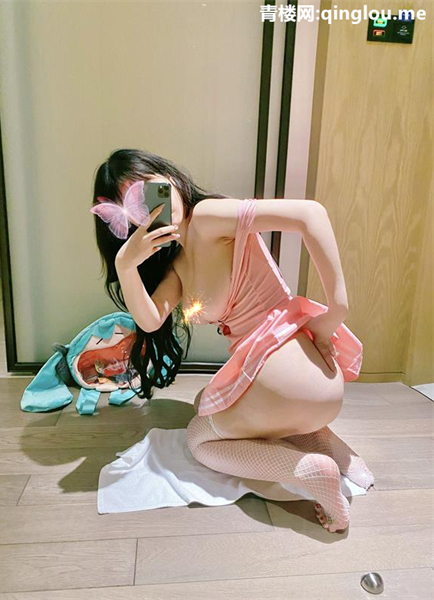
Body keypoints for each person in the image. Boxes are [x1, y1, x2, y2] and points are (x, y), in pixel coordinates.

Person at [91, 148, 374, 534]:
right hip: (302, 378)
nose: (152, 206)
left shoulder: (207, 217)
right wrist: (126, 264)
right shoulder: (178, 265)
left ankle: (307, 470)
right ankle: (325, 441)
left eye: (150, 189)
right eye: (136, 207)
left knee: (200, 440)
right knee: (203, 402)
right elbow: (150, 320)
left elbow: (311, 214)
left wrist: (337, 308)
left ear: (168, 176)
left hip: (283, 370)